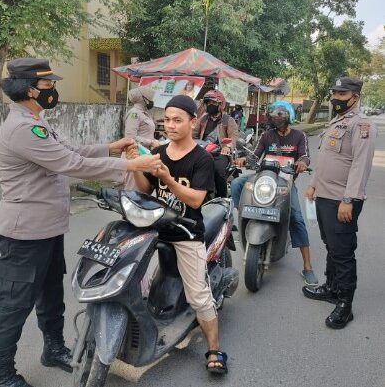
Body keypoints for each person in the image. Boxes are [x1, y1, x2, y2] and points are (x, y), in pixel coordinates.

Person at [0, 58, 161, 387]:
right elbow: (72, 163)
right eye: (48, 84)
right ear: (29, 89)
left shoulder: (36, 120)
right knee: (13, 304)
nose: (53, 89)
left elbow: (73, 149)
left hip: (46, 230)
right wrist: (130, 164)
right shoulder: (24, 128)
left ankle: (53, 349)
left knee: (51, 295)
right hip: (24, 235)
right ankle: (1, 375)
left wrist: (112, 147)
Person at [130, 94, 229, 375]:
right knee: (135, 280)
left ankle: (214, 348)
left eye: (177, 120)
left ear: (192, 122)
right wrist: (138, 164)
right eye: (167, 120)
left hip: (186, 232)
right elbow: (144, 190)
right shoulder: (159, 152)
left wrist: (168, 179)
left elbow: (196, 200)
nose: (170, 126)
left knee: (199, 296)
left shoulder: (202, 159)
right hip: (157, 227)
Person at [303, 77, 376, 329]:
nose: (335, 97)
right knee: (331, 245)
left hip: (342, 200)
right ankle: (331, 287)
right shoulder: (336, 121)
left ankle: (345, 303)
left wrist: (349, 199)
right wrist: (313, 184)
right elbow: (325, 159)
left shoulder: (361, 124)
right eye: (334, 92)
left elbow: (360, 165)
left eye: (341, 94)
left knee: (343, 252)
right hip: (324, 196)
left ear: (354, 97)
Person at [231, 101, 318, 286]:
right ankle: (243, 220)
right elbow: (255, 155)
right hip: (264, 178)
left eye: (280, 114)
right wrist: (244, 159)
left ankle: (308, 266)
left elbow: (305, 156)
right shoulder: (266, 135)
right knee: (238, 184)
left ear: (288, 117)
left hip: (285, 182)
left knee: (296, 217)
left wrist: (302, 163)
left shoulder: (299, 135)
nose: (276, 117)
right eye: (273, 114)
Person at [193, 89, 239, 198]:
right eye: (208, 103)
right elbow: (193, 134)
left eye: (213, 103)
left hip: (220, 153)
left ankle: (221, 197)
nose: (210, 105)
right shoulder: (203, 119)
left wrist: (228, 146)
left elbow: (234, 136)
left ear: (220, 104)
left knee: (218, 171)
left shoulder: (228, 120)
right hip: (203, 150)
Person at [123, 86, 160, 189]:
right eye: (150, 97)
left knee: (143, 186)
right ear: (143, 98)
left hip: (144, 153)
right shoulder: (134, 114)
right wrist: (151, 142)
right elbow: (130, 137)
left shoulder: (145, 113)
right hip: (135, 154)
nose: (152, 101)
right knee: (133, 187)